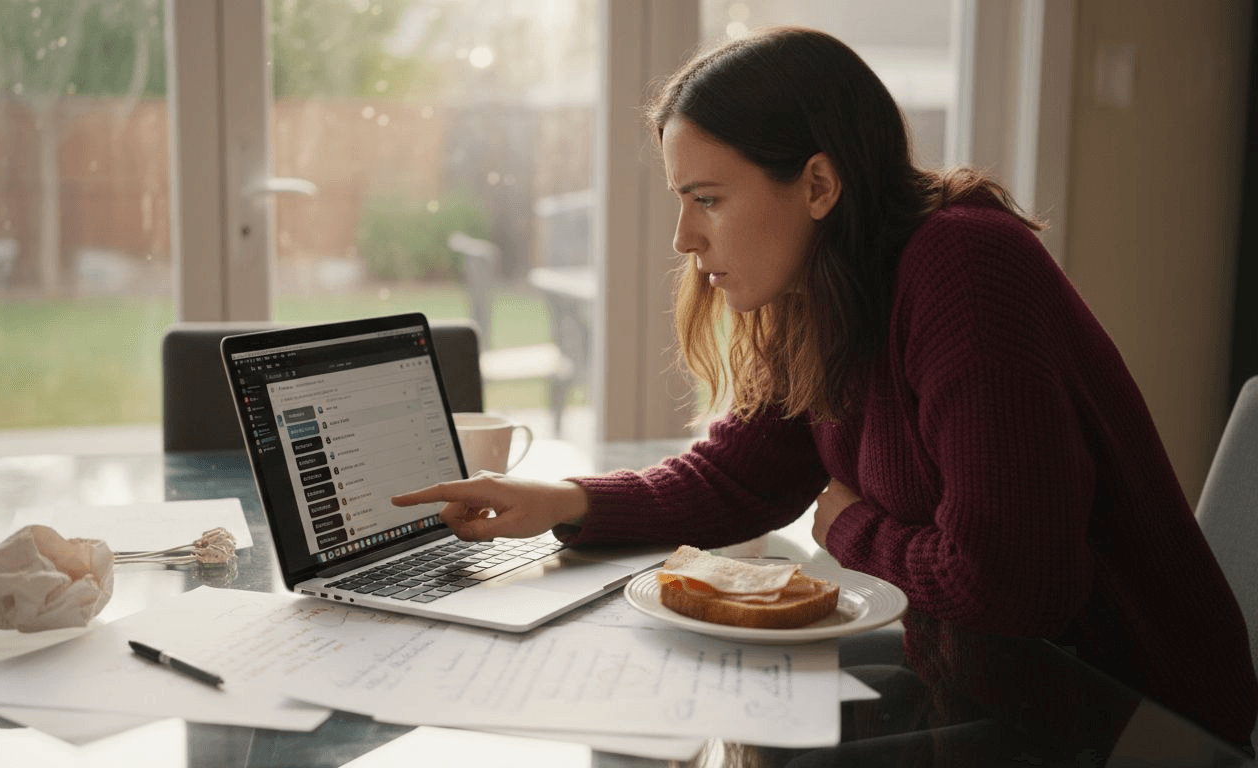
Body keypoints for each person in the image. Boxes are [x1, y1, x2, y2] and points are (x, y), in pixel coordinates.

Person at [393, 26, 1257, 750]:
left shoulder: (965, 269)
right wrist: (561, 500)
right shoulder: (829, 292)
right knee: (695, 710)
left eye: (707, 199)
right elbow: (739, 477)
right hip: (982, 686)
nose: (684, 236)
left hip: (1132, 726)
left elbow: (1011, 584)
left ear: (817, 184)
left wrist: (851, 528)